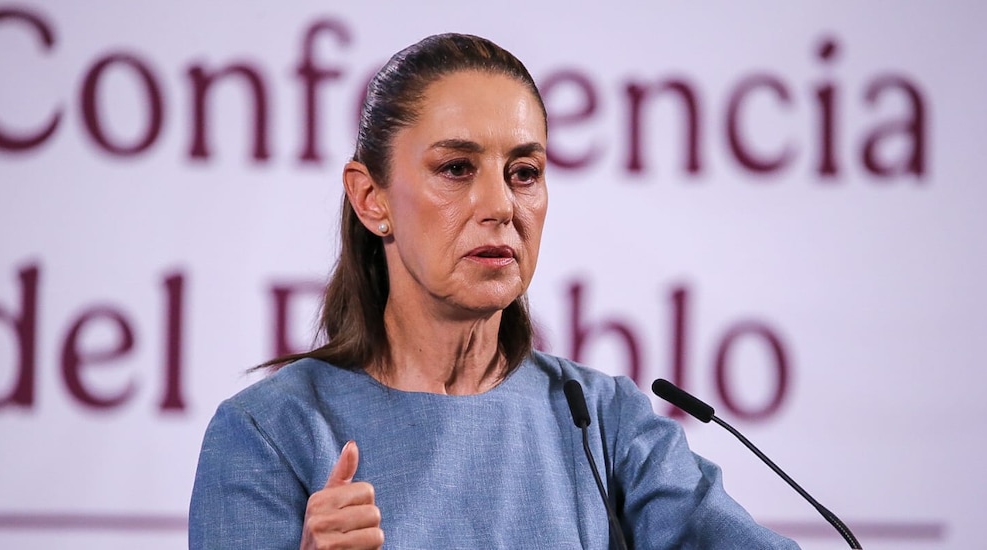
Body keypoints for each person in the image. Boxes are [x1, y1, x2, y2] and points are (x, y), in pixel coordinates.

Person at [188, 33, 800, 550]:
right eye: (456, 169)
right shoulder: (270, 433)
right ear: (371, 199)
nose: (501, 206)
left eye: (524, 173)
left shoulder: (603, 420)